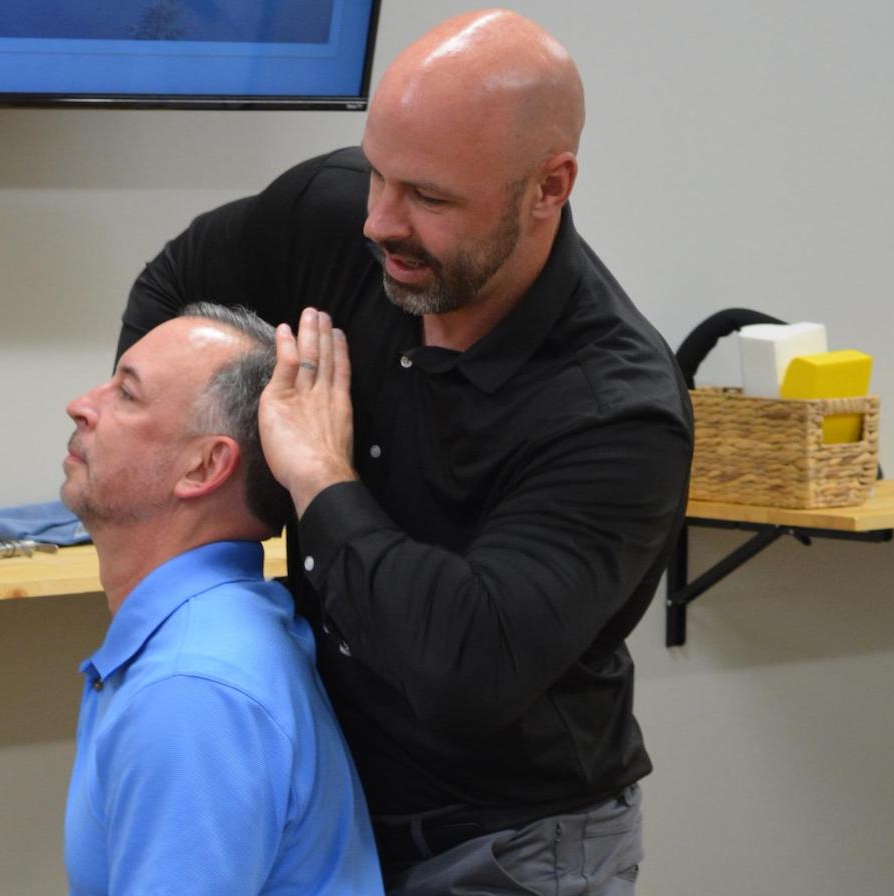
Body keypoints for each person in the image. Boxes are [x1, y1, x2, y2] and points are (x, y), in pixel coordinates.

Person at [117, 9, 694, 895]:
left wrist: (316, 474)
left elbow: (464, 669)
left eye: (428, 197)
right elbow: (173, 291)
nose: (381, 221)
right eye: (379, 173)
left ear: (549, 187)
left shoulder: (615, 414)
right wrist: (196, 558)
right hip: (330, 804)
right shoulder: (341, 219)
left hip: (509, 843)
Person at [61, 304, 384, 896]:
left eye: (126, 395)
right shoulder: (218, 631)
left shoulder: (192, 689)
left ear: (205, 465)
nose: (81, 404)